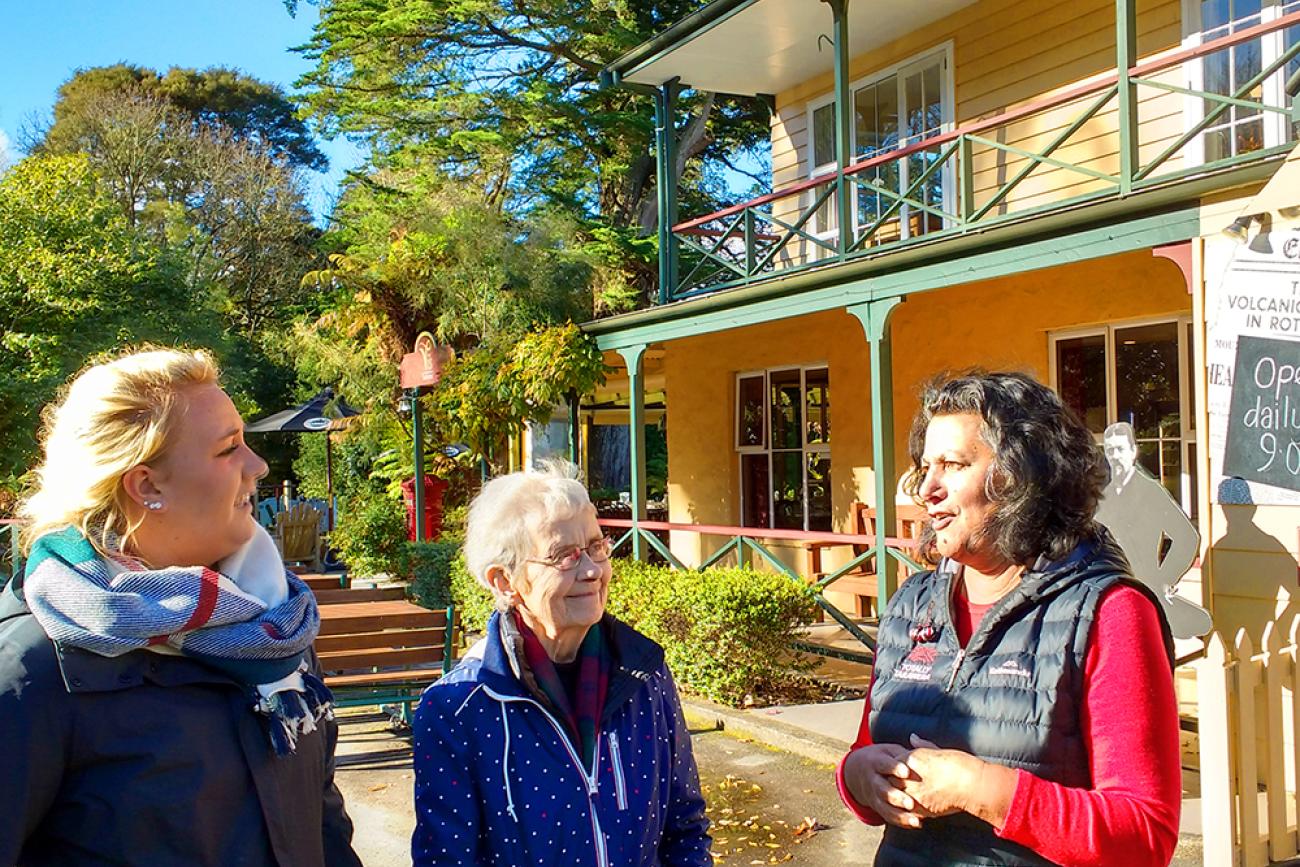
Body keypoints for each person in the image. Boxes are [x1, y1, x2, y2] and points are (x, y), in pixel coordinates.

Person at [0, 348, 361, 867]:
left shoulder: (271, 625)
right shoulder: (33, 669)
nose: (257, 465)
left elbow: (322, 820)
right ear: (147, 485)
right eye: (227, 449)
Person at [837, 372, 1180, 866]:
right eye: (924, 466)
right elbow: (864, 753)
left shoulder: (1110, 611)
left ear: (1022, 478)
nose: (926, 489)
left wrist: (980, 789)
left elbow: (1144, 836)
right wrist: (859, 777)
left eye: (952, 465)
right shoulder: (910, 605)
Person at [411, 463, 710, 866]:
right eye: (563, 556)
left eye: (595, 547)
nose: (591, 570)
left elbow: (685, 826)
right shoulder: (458, 709)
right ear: (505, 581)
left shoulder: (644, 674)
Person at [1095, 421, 1211, 639]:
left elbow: (1187, 537)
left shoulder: (1150, 492)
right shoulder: (1103, 498)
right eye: (1110, 450)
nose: (1115, 456)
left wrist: (1166, 578)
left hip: (1144, 586)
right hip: (1108, 587)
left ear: (1133, 451)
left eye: (1120, 449)